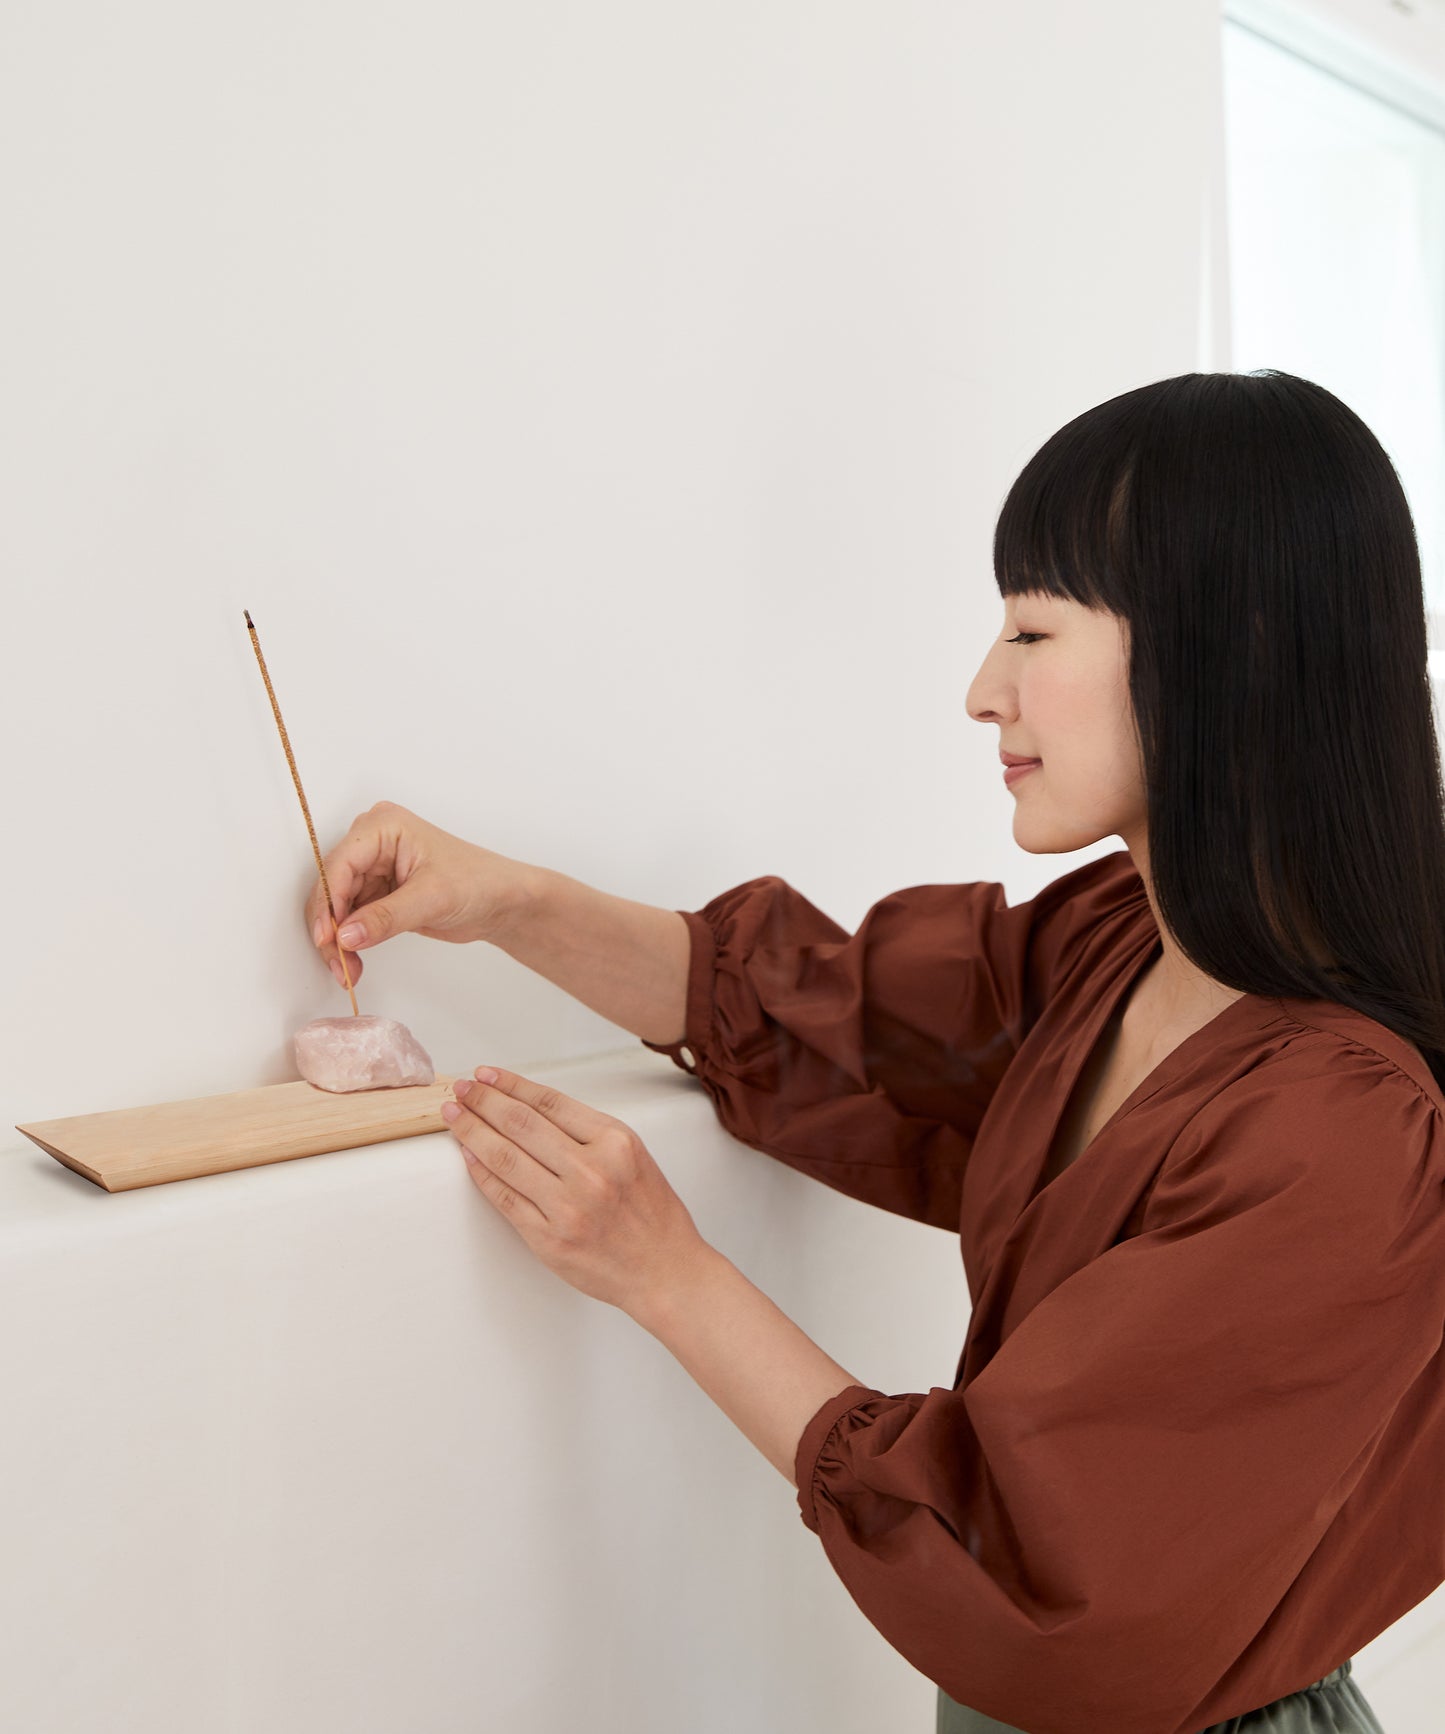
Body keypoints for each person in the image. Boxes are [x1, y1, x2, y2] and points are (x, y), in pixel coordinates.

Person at [304, 372, 1445, 1734]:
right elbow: (832, 1019)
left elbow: (1039, 1574)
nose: (981, 688)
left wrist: (666, 1274)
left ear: (1231, 645)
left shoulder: (1342, 1129)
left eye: (1031, 626)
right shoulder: (1116, 944)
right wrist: (502, 901)